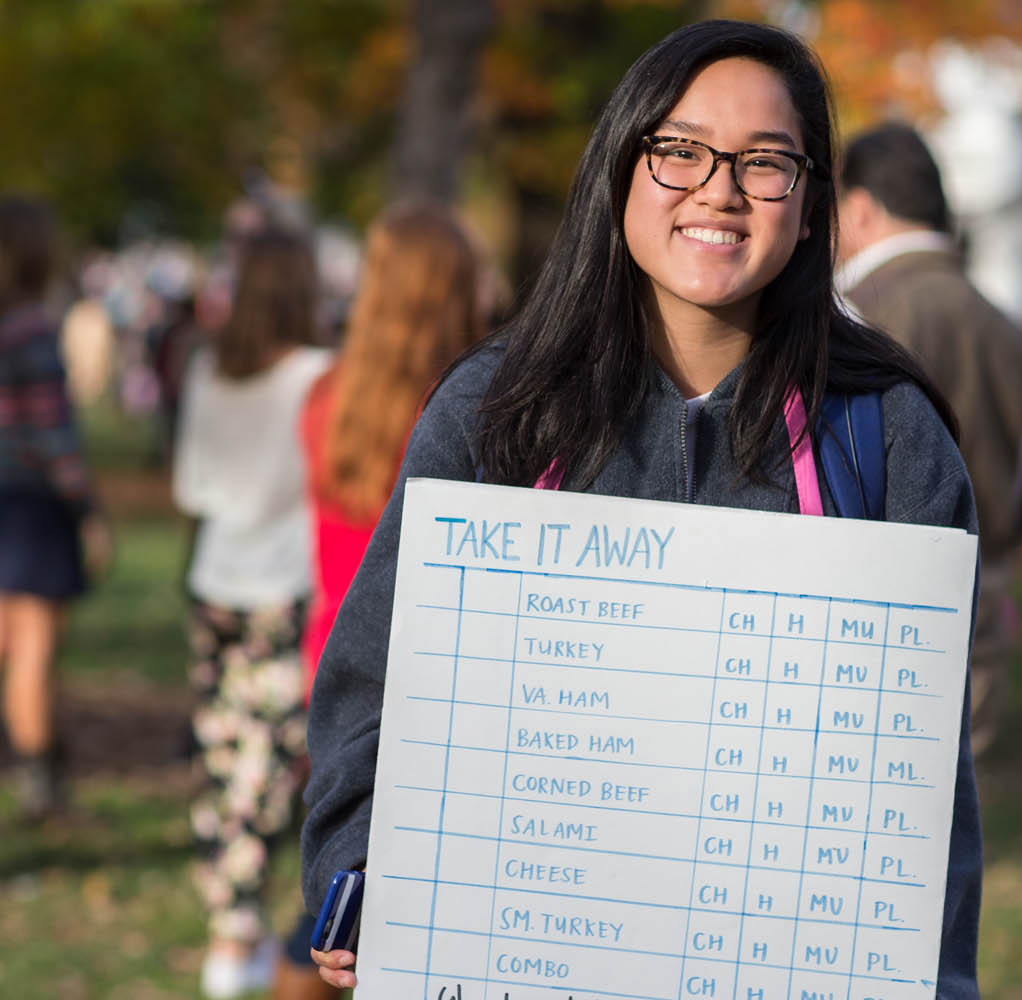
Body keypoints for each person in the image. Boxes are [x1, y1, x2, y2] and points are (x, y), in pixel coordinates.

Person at [300, 20, 982, 998]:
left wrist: (937, 977)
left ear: (811, 199)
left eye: (765, 161)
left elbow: (924, 793)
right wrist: (355, 869)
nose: (720, 188)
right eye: (680, 150)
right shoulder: (498, 408)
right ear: (621, 166)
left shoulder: (890, 432)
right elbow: (372, 676)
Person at [269, 203, 486, 1000]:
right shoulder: (463, 409)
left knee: (339, 896)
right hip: (423, 679)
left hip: (328, 663)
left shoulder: (327, 394)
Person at [835, 120, 1022, 753]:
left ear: (860, 208)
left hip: (866, 606)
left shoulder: (850, 315)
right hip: (981, 589)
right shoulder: (1009, 328)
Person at [171, 228, 333, 999]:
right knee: (268, 767)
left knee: (223, 752)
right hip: (282, 584)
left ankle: (228, 929)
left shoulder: (208, 369)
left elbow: (192, 487)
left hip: (216, 580)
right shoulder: (317, 375)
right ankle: (240, 935)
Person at [0, 195, 111, 822]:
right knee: (33, 650)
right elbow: (54, 438)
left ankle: (38, 773)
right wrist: (88, 510)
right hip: (31, 507)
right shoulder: (31, 329)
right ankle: (42, 786)